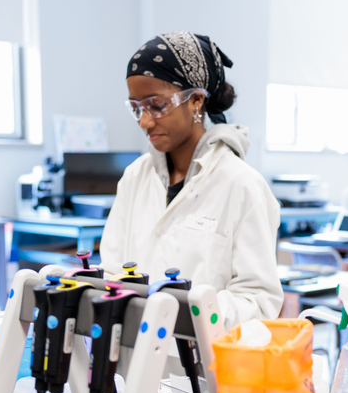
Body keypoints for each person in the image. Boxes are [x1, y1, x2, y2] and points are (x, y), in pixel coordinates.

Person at [99, 32, 282, 330]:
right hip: (132, 363)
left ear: (196, 101)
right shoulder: (135, 176)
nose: (145, 121)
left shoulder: (242, 185)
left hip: (203, 368)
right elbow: (112, 270)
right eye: (136, 108)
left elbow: (258, 301)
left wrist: (185, 313)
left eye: (156, 105)